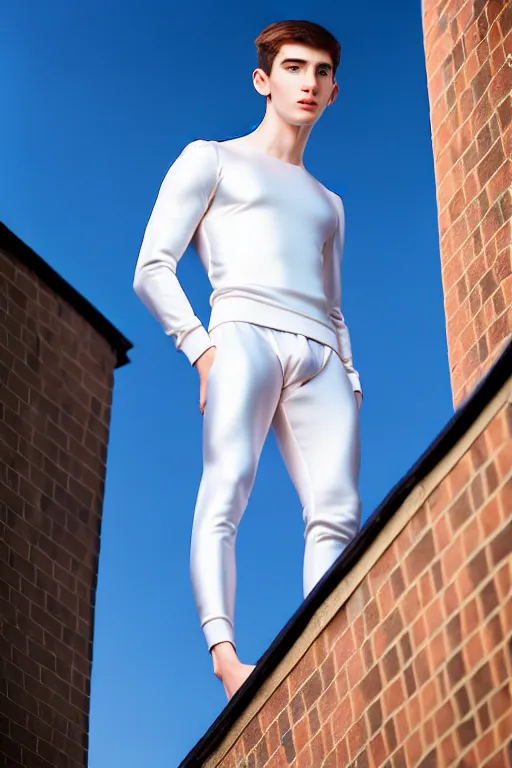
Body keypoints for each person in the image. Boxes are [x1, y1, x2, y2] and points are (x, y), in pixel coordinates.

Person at [133, 19, 363, 702]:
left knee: (338, 512)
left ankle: (328, 654)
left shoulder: (330, 204)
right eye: (295, 68)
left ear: (334, 90)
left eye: (321, 72)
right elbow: (152, 268)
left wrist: (351, 376)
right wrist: (200, 350)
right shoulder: (212, 159)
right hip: (243, 333)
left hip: (321, 352)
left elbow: (337, 303)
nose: (309, 83)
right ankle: (227, 657)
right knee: (227, 486)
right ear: (264, 80)